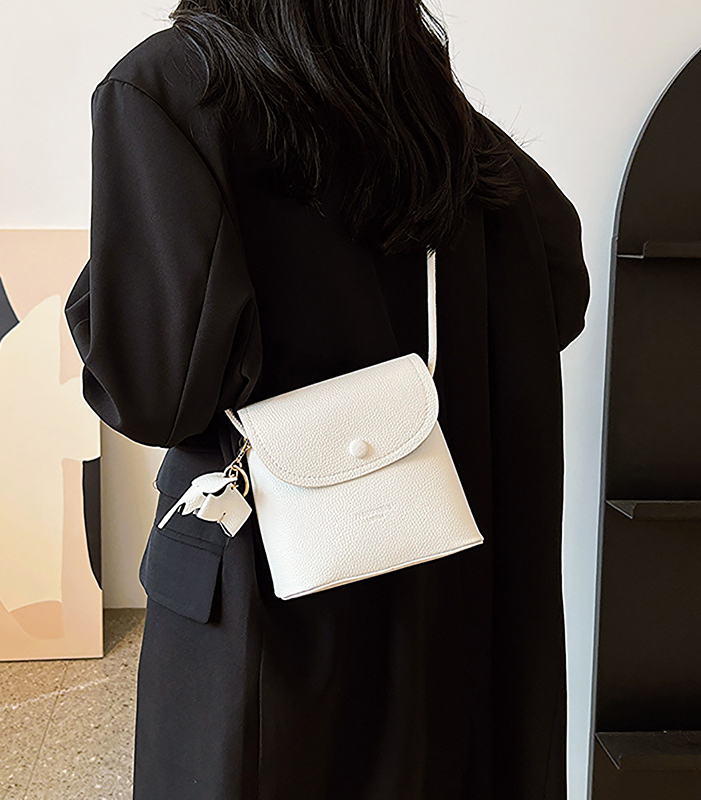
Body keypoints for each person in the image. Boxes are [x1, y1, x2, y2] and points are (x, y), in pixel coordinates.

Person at [64, 2, 591, 798]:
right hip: (444, 573)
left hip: (270, 599)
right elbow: (558, 292)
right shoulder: (426, 102)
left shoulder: (173, 85)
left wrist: (104, 290)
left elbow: (156, 391)